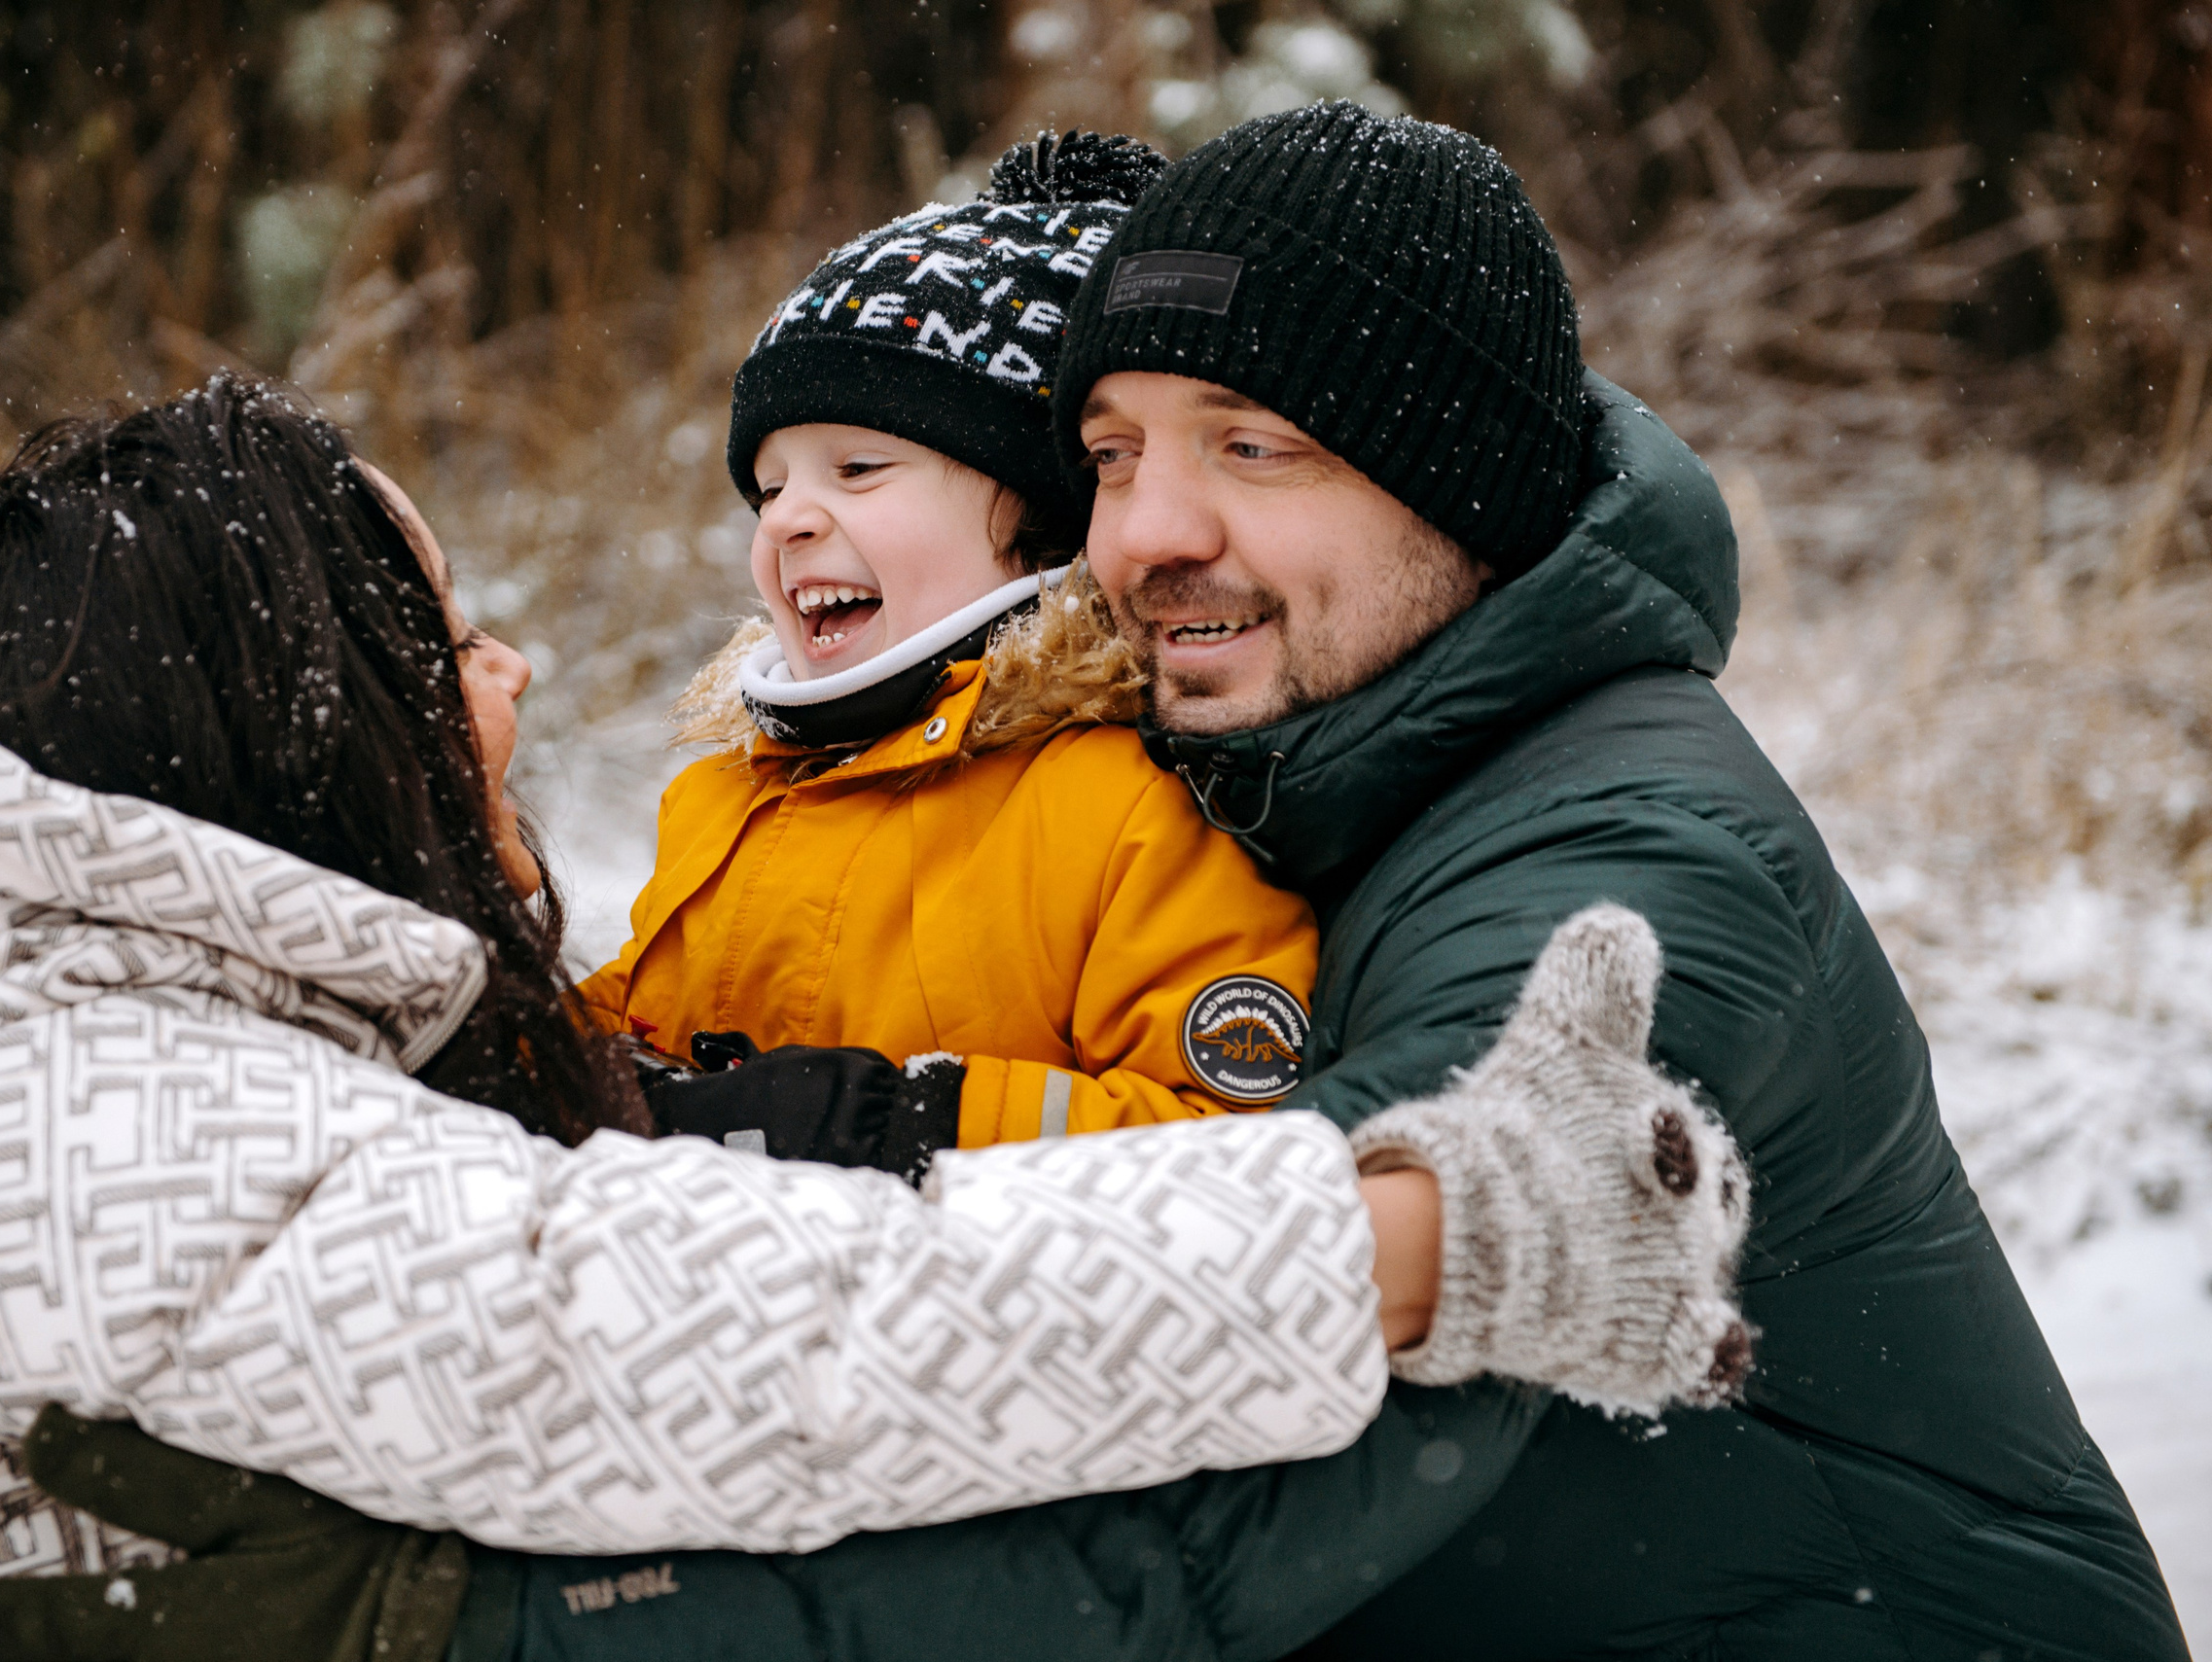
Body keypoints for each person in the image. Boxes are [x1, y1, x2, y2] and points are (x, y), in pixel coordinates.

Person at [359, 109, 2190, 1662]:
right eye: (1111, 455)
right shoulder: (1298, 762)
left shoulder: (1622, 890)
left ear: (1451, 482)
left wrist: (489, 1610)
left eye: (1255, 444)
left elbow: (1222, 1451)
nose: (1145, 533)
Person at [0, 377, 1741, 1662]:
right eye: (436, 642)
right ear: (278, 738)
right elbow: (648, 1325)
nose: (501, 679)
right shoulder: (40, 1090)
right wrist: (1401, 1243)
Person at [588, 131, 1336, 1177]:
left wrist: (910, 1123)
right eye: (770, 488)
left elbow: (1234, 1148)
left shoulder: (1137, 807)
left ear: (1045, 516)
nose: (790, 520)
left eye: (857, 467)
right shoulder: (727, 797)